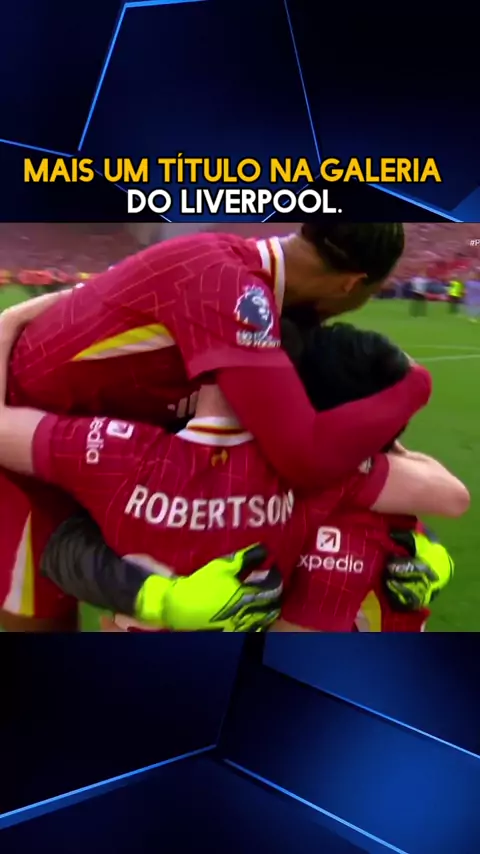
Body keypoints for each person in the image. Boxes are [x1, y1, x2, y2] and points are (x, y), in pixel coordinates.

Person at [1, 224, 432, 632]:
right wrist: (414, 386)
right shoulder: (234, 290)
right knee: (45, 614)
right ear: (351, 284)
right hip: (26, 441)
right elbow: (303, 456)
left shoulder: (225, 265)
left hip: (92, 435)